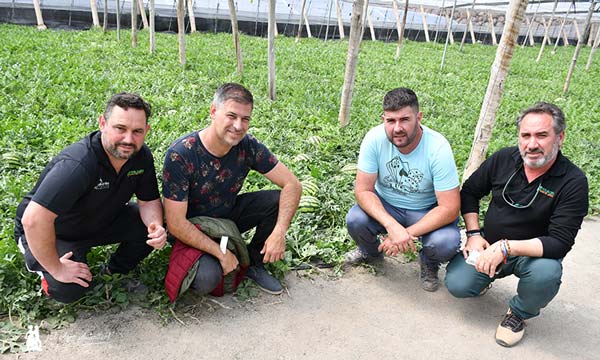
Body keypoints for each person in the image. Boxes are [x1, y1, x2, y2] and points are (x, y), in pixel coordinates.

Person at [445, 102, 589, 347]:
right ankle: (485, 277)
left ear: (560, 137)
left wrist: (506, 248)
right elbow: (469, 192)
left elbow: (559, 243)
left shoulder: (573, 181)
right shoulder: (504, 158)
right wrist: (473, 233)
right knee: (458, 284)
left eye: (542, 135)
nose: (532, 144)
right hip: (487, 245)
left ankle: (519, 314)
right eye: (526, 135)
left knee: (547, 273)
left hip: (532, 256)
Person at [14, 92, 167, 304]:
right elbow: (33, 220)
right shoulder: (78, 164)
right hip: (56, 231)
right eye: (120, 128)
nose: (129, 139)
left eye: (137, 131)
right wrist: (57, 269)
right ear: (103, 123)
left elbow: (149, 201)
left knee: (150, 225)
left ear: (146, 131)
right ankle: (48, 272)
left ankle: (113, 270)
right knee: (68, 289)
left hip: (100, 219)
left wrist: (155, 226)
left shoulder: (141, 157)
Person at [162, 83, 301, 295]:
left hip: (227, 216)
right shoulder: (181, 154)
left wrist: (279, 232)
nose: (238, 126)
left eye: (245, 119)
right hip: (193, 227)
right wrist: (220, 253)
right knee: (207, 280)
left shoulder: (248, 145)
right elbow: (176, 224)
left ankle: (254, 261)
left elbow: (292, 184)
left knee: (277, 200)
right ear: (213, 112)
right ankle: (212, 258)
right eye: (231, 116)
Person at [344, 87, 461, 292]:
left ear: (419, 117)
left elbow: (450, 207)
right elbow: (363, 190)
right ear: (383, 120)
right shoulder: (374, 139)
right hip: (388, 205)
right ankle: (371, 253)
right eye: (391, 121)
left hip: (424, 210)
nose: (397, 128)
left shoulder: (438, 148)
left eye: (405, 119)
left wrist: (405, 233)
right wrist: (391, 225)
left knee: (446, 242)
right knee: (355, 219)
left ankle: (429, 262)